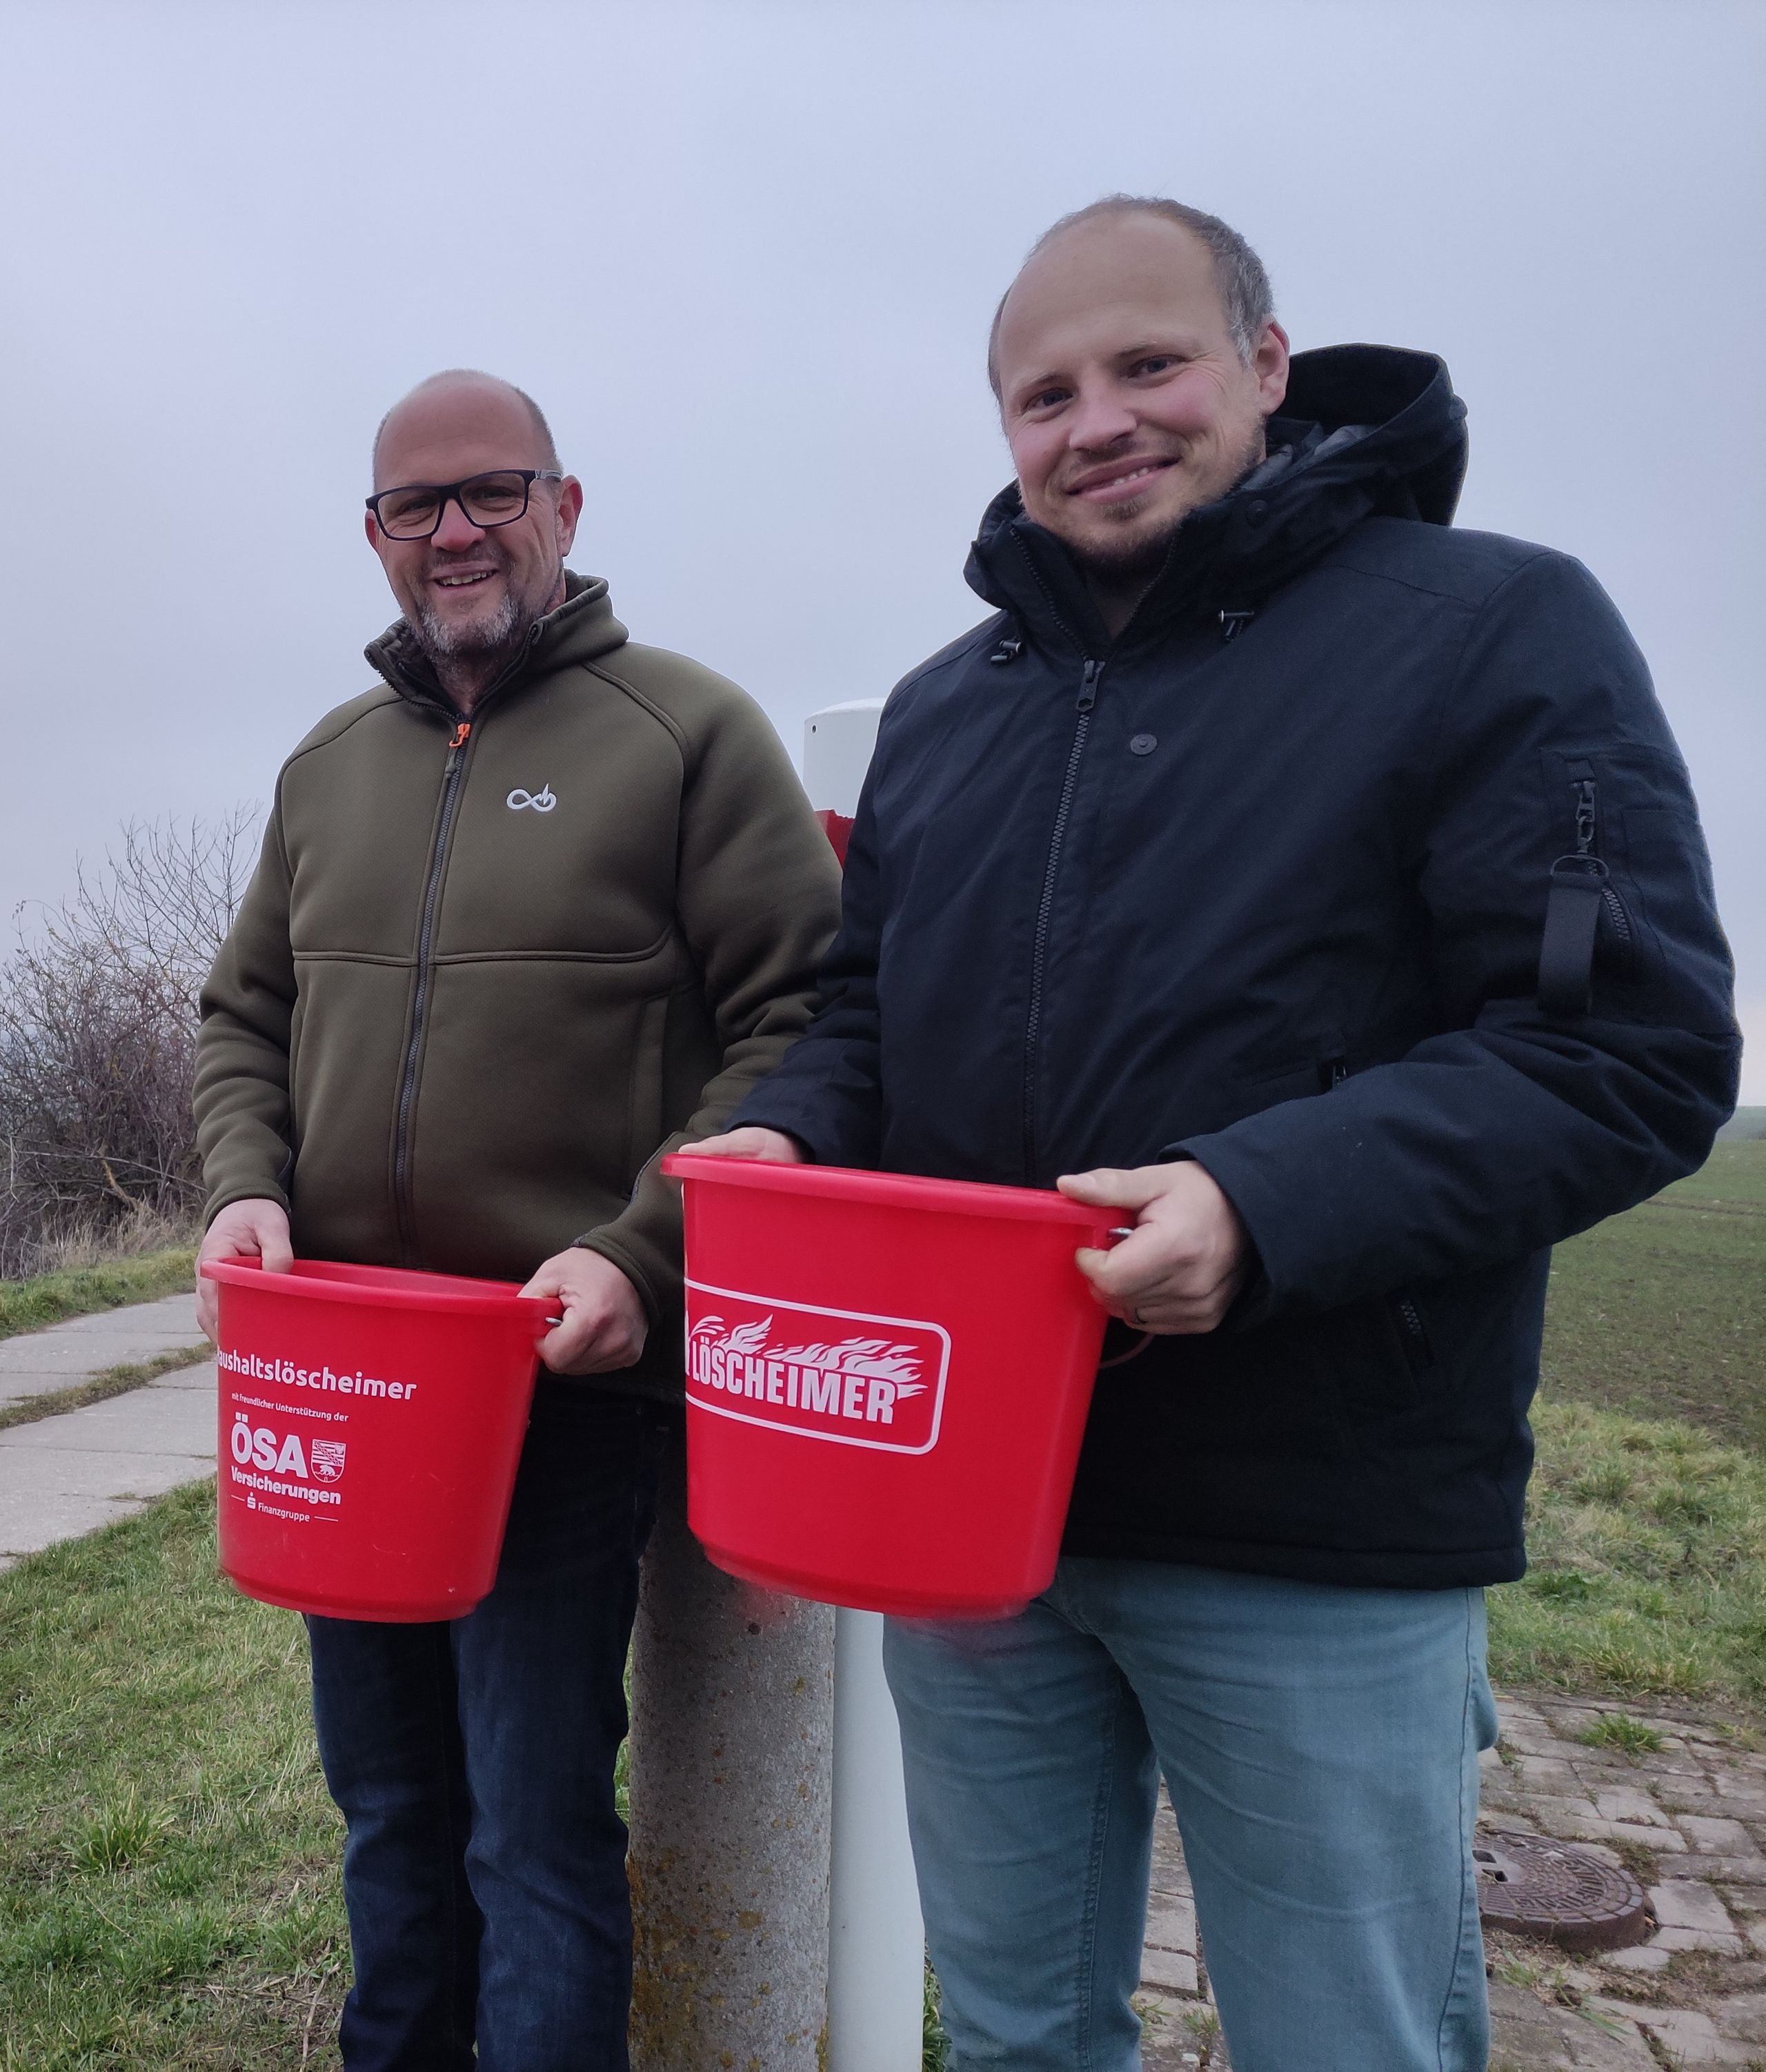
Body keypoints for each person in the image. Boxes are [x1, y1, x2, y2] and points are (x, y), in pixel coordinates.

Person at [686, 198, 1740, 2069]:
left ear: (1263, 364)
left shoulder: (1491, 628)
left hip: (1315, 1513)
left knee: (1345, 2039)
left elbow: (1623, 1049)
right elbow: (861, 1020)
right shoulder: (943, 714)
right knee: (1013, 2031)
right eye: (1045, 394)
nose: (1097, 421)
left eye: (1147, 365)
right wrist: (787, 1140)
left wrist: (1260, 1202)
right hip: (969, 1510)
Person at [192, 369, 838, 2069]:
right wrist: (245, 1184)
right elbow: (241, 1016)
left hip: (559, 1378)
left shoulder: (685, 732)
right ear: (374, 535)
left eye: (493, 490)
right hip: (349, 1377)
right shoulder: (326, 764)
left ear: (565, 504)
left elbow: (802, 1025)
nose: (456, 530)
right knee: (389, 1804)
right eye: (417, 504)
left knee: (530, 1825)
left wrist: (641, 1253)